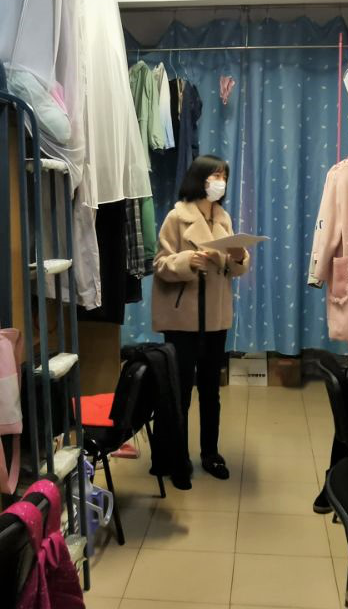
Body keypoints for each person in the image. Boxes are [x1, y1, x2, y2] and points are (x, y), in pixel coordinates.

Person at [152, 154, 251, 480]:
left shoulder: (223, 218)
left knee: (211, 390)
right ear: (199, 178)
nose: (220, 182)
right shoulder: (176, 217)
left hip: (215, 318)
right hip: (183, 319)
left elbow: (235, 268)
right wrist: (187, 261)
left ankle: (211, 453)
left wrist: (238, 256)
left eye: (224, 176)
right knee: (179, 391)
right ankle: (175, 459)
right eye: (214, 175)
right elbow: (160, 264)